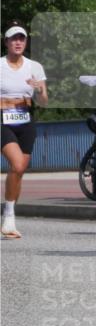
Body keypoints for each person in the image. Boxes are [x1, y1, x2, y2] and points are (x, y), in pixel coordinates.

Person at [1, 22, 47, 239]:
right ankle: (8, 216)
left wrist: (39, 90)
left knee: (19, 170)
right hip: (3, 119)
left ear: (25, 42)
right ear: (6, 42)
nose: (18, 42)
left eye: (21, 38)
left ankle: (9, 215)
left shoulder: (35, 67)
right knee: (17, 163)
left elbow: (44, 101)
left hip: (26, 119)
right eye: (13, 39)